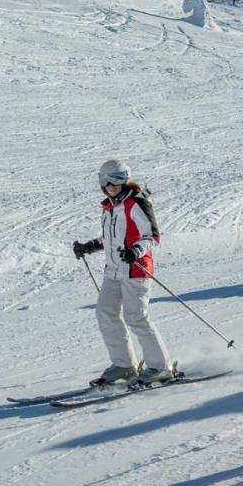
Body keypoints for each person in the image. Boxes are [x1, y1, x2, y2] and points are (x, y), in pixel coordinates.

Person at [71, 159, 175, 388]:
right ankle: (124, 365)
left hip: (136, 269)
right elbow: (111, 240)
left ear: (126, 179)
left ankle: (161, 367)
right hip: (113, 270)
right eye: (106, 180)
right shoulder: (109, 207)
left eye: (117, 179)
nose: (112, 184)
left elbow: (151, 236)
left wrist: (136, 250)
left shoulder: (136, 203)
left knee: (136, 317)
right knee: (105, 313)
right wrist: (89, 246)